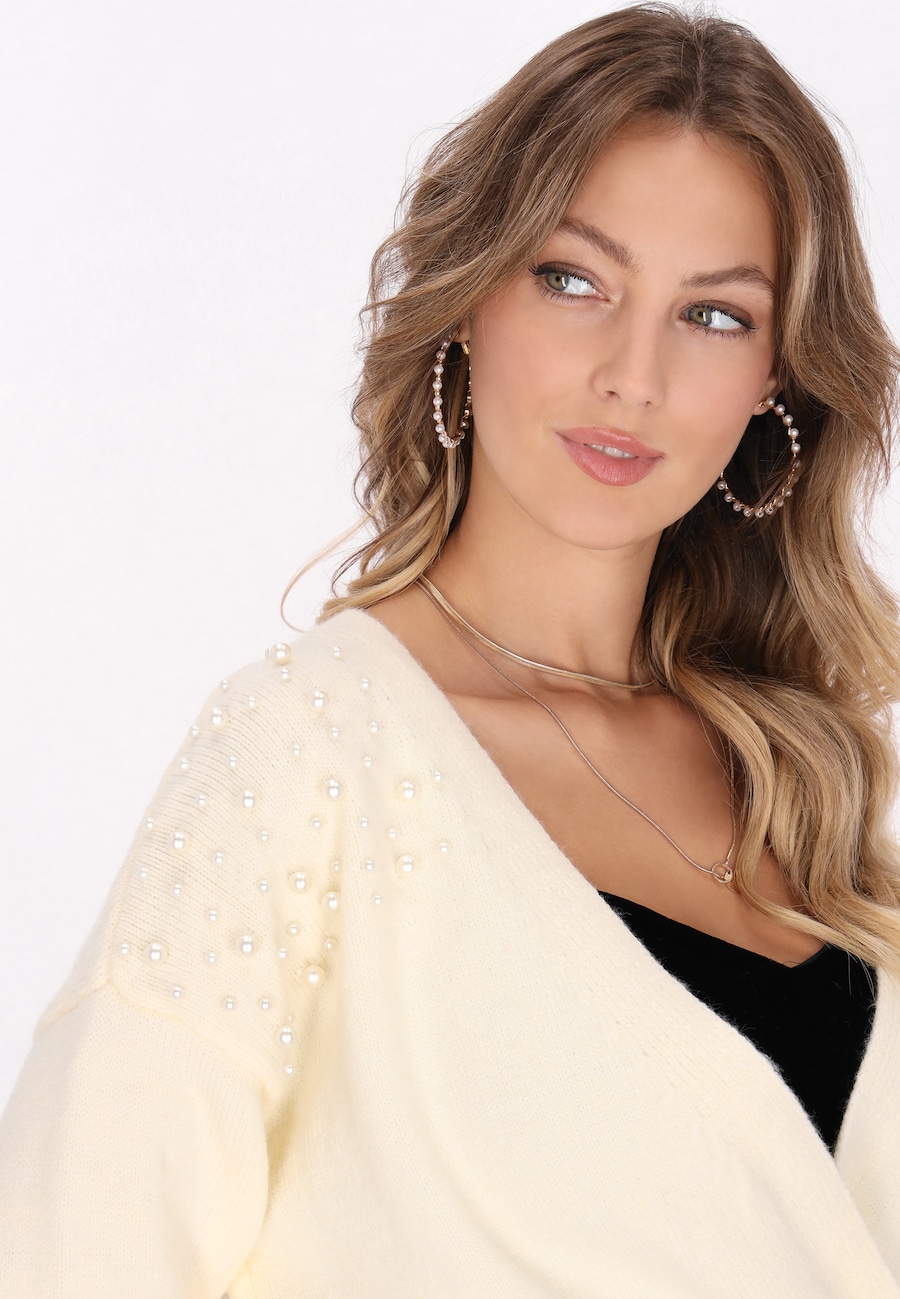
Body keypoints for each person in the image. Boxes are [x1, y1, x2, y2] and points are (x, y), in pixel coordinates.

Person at [2, 3, 900, 1295]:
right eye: (574, 280)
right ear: (471, 296)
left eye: (712, 315)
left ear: (776, 382)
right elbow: (80, 1252)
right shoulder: (306, 756)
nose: (632, 376)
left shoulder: (811, 779)